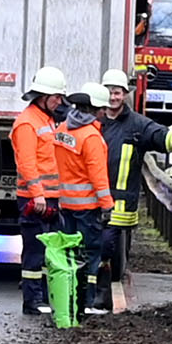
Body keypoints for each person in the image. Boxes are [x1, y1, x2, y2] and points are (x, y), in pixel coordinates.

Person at [100, 67, 172, 290]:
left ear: (125, 94)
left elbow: (159, 136)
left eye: (117, 92)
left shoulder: (136, 124)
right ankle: (94, 293)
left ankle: (103, 291)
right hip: (92, 199)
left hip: (120, 203)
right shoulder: (94, 121)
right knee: (92, 246)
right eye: (109, 92)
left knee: (107, 245)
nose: (113, 97)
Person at [10, 65, 69, 314]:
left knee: (49, 250)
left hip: (49, 198)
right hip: (36, 200)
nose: (60, 101)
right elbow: (27, 163)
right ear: (43, 97)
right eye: (56, 97)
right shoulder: (27, 124)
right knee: (34, 252)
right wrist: (38, 194)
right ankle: (31, 301)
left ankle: (44, 296)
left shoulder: (45, 120)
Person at [53, 81, 116, 315]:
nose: (104, 114)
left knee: (69, 253)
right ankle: (87, 302)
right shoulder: (91, 137)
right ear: (96, 109)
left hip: (65, 203)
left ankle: (68, 300)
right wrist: (107, 205)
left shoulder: (62, 129)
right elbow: (98, 176)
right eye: (102, 110)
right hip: (87, 207)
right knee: (90, 254)